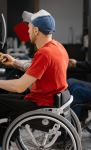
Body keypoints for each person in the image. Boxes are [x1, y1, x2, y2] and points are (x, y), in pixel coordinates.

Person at [0, 9, 69, 140]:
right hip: (49, 100)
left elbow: (19, 86)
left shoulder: (44, 54)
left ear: (36, 30)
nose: (27, 31)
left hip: (40, 105)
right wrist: (14, 62)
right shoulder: (57, 47)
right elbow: (36, 68)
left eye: (29, 28)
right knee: (7, 97)